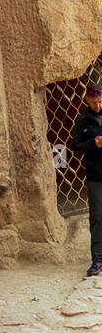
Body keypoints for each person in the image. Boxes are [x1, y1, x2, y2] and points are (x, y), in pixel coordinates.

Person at [72, 83, 102, 277]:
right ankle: (98, 260)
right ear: (87, 101)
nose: (97, 106)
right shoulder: (83, 119)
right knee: (97, 218)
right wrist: (93, 142)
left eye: (100, 101)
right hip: (95, 177)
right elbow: (76, 146)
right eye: (94, 102)